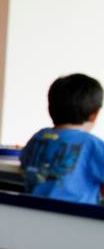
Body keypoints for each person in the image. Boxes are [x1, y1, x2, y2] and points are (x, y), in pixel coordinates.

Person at [20, 73, 104, 205]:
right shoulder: (91, 144)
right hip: (76, 218)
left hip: (34, 213)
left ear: (50, 109)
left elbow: (24, 162)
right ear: (94, 115)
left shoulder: (39, 137)